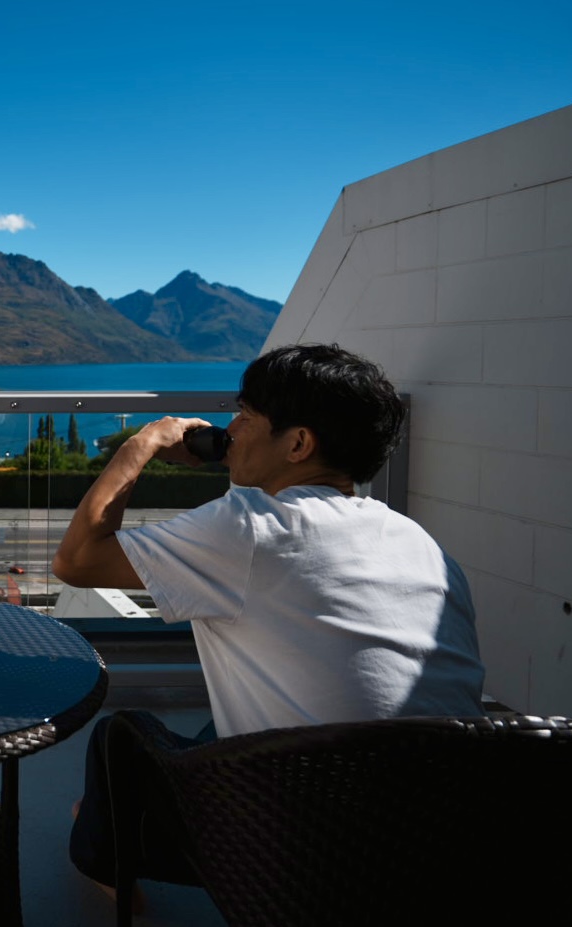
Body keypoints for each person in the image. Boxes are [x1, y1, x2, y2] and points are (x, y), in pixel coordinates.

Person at [52, 343, 485, 902]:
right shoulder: (422, 544)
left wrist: (143, 445)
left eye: (246, 416)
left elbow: (77, 560)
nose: (230, 428)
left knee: (120, 739)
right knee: (215, 730)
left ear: (299, 443)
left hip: (300, 861)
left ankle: (106, 852)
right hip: (451, 844)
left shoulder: (247, 527)